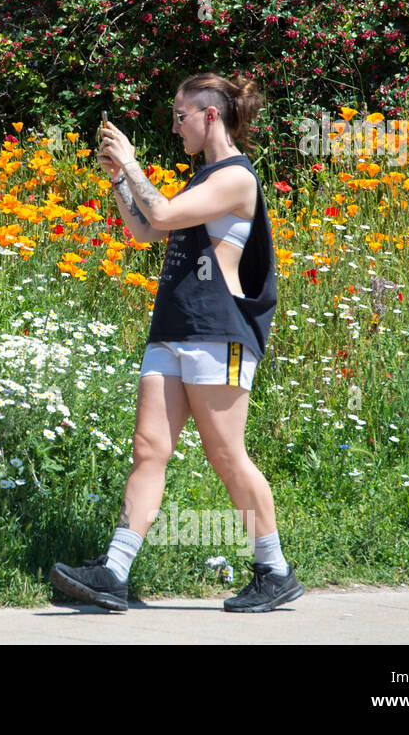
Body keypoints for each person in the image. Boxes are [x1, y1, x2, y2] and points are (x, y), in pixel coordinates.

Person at [49, 71, 305, 613]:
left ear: (210, 115)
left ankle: (275, 569)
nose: (175, 127)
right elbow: (149, 230)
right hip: (172, 327)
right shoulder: (202, 178)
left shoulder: (236, 178)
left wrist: (134, 165)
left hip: (218, 332)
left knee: (226, 454)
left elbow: (162, 212)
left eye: (180, 116)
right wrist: (120, 180)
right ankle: (115, 571)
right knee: (149, 448)